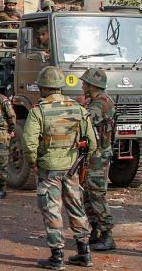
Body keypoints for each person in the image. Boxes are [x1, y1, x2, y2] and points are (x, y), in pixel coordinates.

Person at [21, 66, 97, 270]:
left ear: (43, 88)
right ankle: (84, 254)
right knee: (77, 208)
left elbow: (29, 142)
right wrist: (82, 161)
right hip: (71, 168)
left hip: (49, 169)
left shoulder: (39, 111)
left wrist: (33, 163)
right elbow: (92, 142)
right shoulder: (78, 109)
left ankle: (57, 257)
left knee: (52, 210)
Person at [79, 68, 116, 251]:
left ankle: (107, 234)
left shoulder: (101, 103)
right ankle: (96, 230)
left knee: (97, 195)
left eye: (85, 83)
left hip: (99, 157)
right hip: (93, 156)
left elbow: (86, 120)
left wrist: (79, 107)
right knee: (88, 195)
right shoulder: (95, 101)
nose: (82, 85)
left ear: (93, 85)